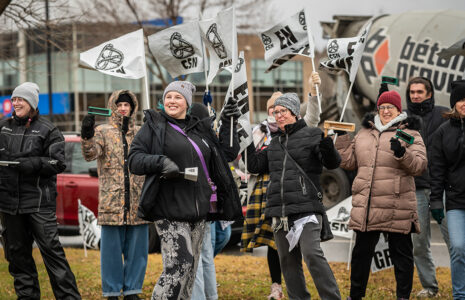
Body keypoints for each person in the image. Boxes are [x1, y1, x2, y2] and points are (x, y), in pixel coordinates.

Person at [128, 81, 242, 300]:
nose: (172, 101)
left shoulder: (200, 128)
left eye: (178, 97)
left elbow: (226, 153)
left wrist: (229, 121)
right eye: (168, 97)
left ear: (187, 103)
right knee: (179, 265)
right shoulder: (154, 126)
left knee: (189, 272)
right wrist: (160, 162)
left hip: (198, 212)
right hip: (168, 209)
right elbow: (134, 160)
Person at [246, 91, 341, 300]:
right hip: (280, 212)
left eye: (283, 111)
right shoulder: (273, 142)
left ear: (295, 113)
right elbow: (253, 165)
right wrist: (242, 139)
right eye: (275, 111)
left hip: (306, 208)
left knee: (312, 255)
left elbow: (332, 163)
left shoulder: (313, 134)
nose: (278, 115)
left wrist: (328, 147)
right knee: (287, 262)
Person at [336, 90, 427, 300]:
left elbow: (420, 166)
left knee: (401, 256)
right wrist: (341, 141)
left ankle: (403, 296)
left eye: (390, 107)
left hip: (398, 205)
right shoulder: (364, 132)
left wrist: (402, 154)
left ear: (398, 110)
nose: (386, 111)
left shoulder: (411, 133)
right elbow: (349, 163)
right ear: (377, 109)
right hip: (368, 206)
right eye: (382, 107)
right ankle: (355, 296)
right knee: (360, 255)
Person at [0, 82, 81, 299]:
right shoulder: (3, 126)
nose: (16, 103)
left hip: (38, 204)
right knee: (18, 257)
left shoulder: (48, 129)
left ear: (32, 103)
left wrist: (34, 163)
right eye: (14, 99)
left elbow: (58, 163)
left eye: (21, 99)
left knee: (53, 256)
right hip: (9, 205)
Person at [80, 90, 148, 300]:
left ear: (132, 107)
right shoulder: (103, 131)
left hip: (137, 202)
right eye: (119, 104)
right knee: (110, 253)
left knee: (137, 252)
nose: (123, 108)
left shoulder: (141, 132)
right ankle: (111, 291)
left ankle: (132, 290)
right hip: (111, 203)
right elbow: (91, 154)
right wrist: (87, 135)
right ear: (113, 106)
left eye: (127, 105)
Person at [403, 77, 450, 298]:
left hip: (444, 188)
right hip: (417, 188)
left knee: (456, 241)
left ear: (429, 94)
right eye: (412, 92)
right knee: (419, 243)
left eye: (420, 92)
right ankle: (430, 287)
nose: (415, 96)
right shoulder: (403, 119)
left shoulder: (444, 114)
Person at [430, 80, 465, 300]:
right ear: (454, 103)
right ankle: (460, 295)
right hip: (455, 202)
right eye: (461, 99)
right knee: (459, 248)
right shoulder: (443, 132)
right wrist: (435, 201)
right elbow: (437, 169)